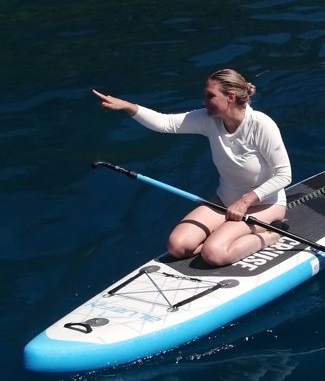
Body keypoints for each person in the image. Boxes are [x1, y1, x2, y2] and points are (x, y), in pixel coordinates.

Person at [93, 69, 291, 267]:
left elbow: (284, 175)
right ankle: (224, 236)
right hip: (224, 201)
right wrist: (128, 106)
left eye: (210, 96)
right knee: (178, 246)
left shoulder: (261, 125)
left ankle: (271, 235)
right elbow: (165, 123)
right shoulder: (208, 120)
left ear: (230, 97)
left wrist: (245, 202)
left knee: (214, 253)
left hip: (265, 205)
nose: (204, 101)